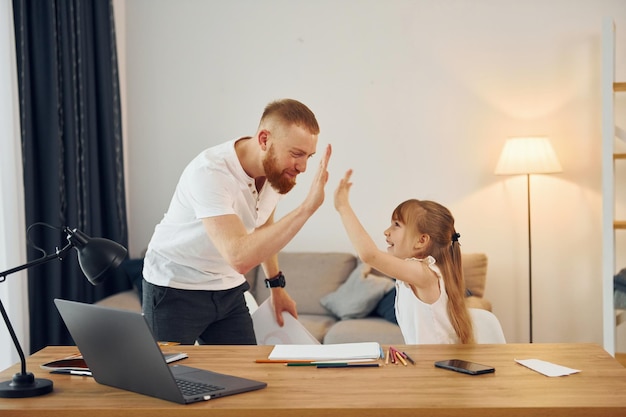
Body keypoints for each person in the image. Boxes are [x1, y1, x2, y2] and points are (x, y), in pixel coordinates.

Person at [142, 98, 332, 345]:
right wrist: (307, 209)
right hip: (175, 287)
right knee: (167, 378)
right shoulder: (211, 172)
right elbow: (239, 257)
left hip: (228, 290)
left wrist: (276, 286)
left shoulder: (276, 172)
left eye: (309, 156)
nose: (303, 167)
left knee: (244, 377)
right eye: (297, 154)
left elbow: (263, 222)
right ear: (264, 140)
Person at [333, 169, 474, 344]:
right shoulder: (422, 272)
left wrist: (343, 207)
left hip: (435, 366)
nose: (386, 232)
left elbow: (370, 255)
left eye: (396, 225)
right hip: (429, 363)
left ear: (421, 240)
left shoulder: (424, 273)